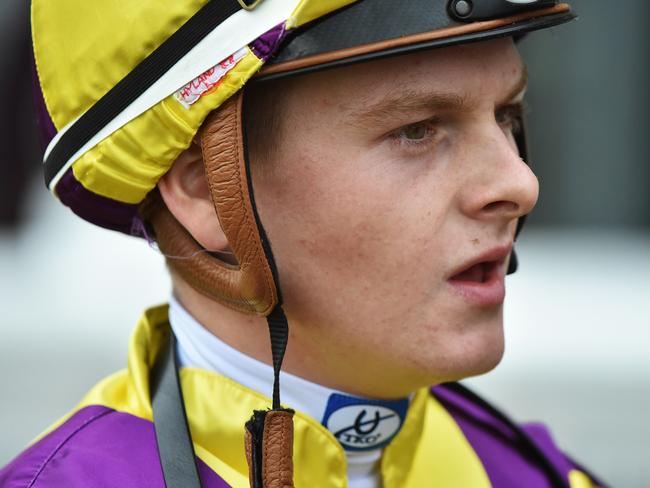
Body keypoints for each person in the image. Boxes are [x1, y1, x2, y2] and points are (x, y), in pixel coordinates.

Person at [1, 1, 606, 487]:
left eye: (506, 114)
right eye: (416, 130)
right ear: (208, 189)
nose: (519, 184)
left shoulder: (544, 475)